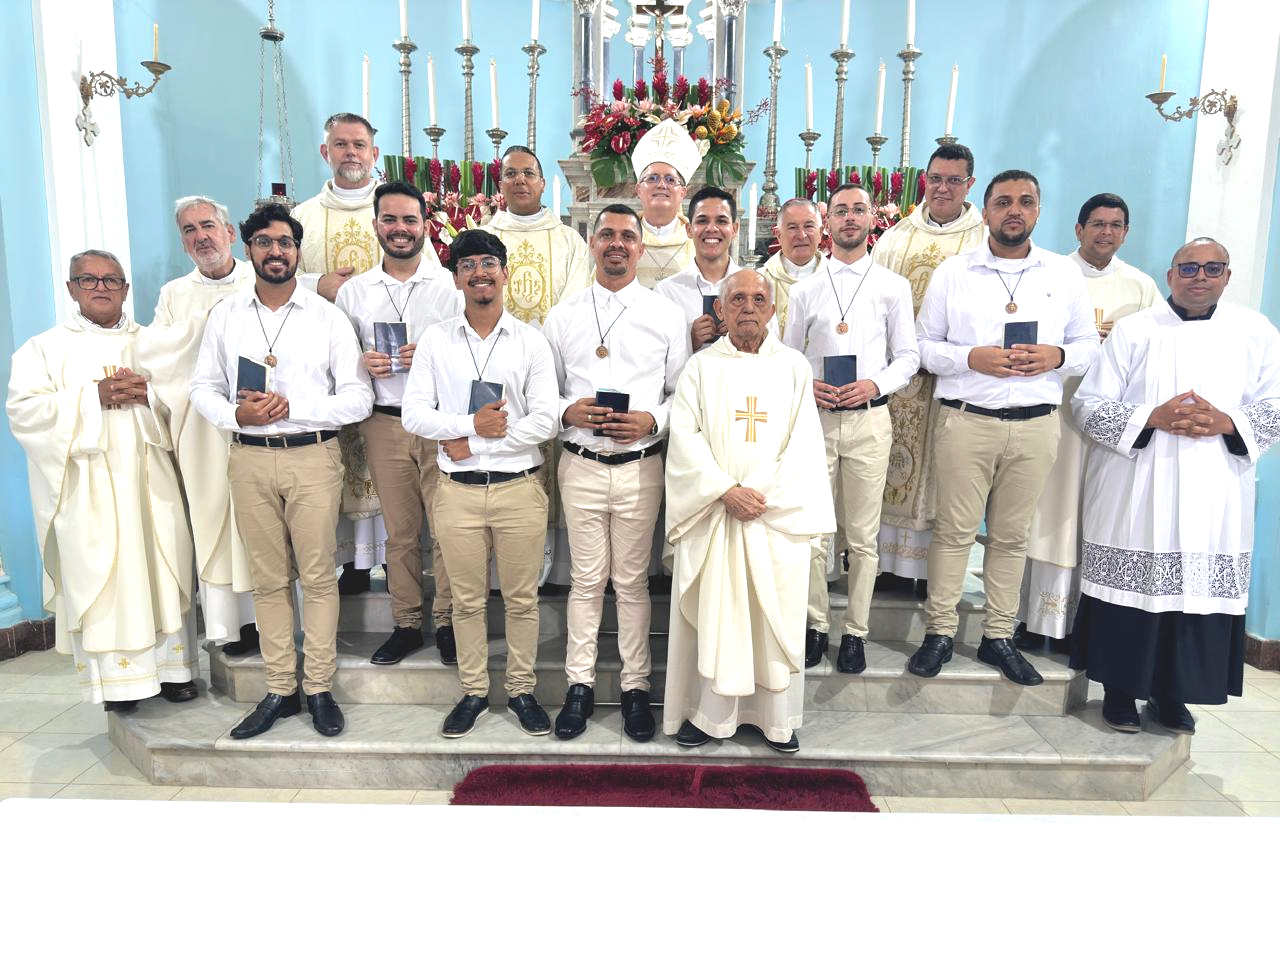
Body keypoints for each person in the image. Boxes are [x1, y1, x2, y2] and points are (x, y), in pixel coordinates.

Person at [1072, 237, 1280, 733]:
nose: (1200, 276)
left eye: (1212, 268)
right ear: (1171, 276)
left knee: (1194, 592)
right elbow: (1088, 404)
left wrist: (1227, 422)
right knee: (1133, 591)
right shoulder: (1136, 329)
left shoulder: (1255, 332)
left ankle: (1173, 695)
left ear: (1227, 276)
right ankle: (1119, 692)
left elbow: (1274, 405)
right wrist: (1153, 416)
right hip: (1139, 484)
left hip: (1216, 486)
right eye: (1189, 268)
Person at [190, 204, 373, 739]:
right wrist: (236, 415)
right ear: (248, 249)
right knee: (269, 581)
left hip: (312, 455)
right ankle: (279, 689)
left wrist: (296, 408)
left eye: (285, 243)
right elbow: (202, 387)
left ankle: (318, 687)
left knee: (317, 577)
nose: (276, 252)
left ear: (297, 251)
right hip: (248, 457)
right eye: (265, 242)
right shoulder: (226, 315)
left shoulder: (326, 316)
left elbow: (358, 398)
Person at [909, 170, 1099, 686]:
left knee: (1011, 537)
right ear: (986, 209)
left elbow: (1088, 346)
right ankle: (940, 632)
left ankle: (998, 636)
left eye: (1025, 202)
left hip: (1036, 425)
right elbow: (923, 347)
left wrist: (1056, 356)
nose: (1014, 210)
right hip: (967, 419)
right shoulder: (954, 271)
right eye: (1003, 202)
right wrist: (971, 358)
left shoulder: (1062, 274)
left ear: (1038, 210)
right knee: (954, 533)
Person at [8, 250, 196, 712]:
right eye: (88, 279)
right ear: (71, 288)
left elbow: (188, 401)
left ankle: (173, 672)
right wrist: (92, 398)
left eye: (111, 280)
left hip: (152, 480)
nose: (100, 287)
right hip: (87, 487)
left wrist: (150, 395)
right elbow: (24, 412)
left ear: (125, 289)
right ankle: (118, 685)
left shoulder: (152, 342)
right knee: (104, 579)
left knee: (163, 568)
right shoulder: (43, 348)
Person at [662, 270, 835, 753]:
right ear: (720, 309)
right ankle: (708, 715)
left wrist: (756, 494)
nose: (748, 308)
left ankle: (775, 720)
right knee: (716, 616)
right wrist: (724, 490)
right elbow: (685, 439)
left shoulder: (794, 367)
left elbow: (805, 445)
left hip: (774, 518)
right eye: (737, 299)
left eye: (759, 299)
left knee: (770, 618)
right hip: (715, 516)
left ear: (773, 310)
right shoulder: (700, 368)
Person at [401, 230, 559, 739]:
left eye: (489, 263)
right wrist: (470, 426)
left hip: (519, 489)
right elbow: (413, 414)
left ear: (505, 273)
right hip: (458, 493)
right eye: (467, 265)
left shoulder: (531, 341)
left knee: (521, 600)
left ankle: (521, 690)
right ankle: (472, 691)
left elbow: (547, 420)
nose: (479, 273)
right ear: (456, 279)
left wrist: (481, 439)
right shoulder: (436, 340)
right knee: (466, 602)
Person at [542, 204, 688, 742]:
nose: (617, 243)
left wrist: (652, 421)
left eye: (628, 235)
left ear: (641, 248)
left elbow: (682, 394)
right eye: (607, 234)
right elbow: (544, 394)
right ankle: (578, 687)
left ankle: (635, 688)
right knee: (585, 580)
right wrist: (568, 411)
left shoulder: (665, 315)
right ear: (592, 243)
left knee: (630, 582)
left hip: (640, 466)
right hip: (581, 464)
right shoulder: (563, 315)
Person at [1014, 192, 1160, 653]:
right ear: (1079, 230)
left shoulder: (1141, 288)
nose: (1105, 232)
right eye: (1097, 224)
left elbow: (1155, 355)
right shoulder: (1049, 275)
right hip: (1057, 412)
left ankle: (1086, 623)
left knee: (1098, 520)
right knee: (1048, 515)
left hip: (1111, 425)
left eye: (1115, 225)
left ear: (1126, 233)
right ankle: (1035, 619)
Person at [784, 184, 918, 673]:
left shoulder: (892, 286)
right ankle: (816, 624)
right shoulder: (805, 289)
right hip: (817, 420)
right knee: (814, 531)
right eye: (840, 210)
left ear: (871, 219)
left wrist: (874, 384)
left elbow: (909, 356)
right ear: (828, 222)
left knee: (863, 535)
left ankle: (855, 631)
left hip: (869, 419)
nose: (849, 218)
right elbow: (788, 356)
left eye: (858, 209)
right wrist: (809, 384)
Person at [335, 181, 462, 667]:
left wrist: (429, 356)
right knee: (401, 532)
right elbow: (338, 359)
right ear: (376, 226)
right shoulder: (355, 292)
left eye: (410, 220)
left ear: (425, 226)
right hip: (385, 422)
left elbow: (470, 354)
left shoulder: (449, 288)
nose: (400, 228)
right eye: (390, 219)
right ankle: (407, 622)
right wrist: (361, 362)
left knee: (446, 528)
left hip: (438, 423)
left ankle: (448, 621)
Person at [293, 112, 415, 594]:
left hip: (393, 377)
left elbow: (429, 284)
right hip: (326, 367)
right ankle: (353, 563)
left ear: (373, 154)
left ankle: (391, 566)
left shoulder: (398, 211)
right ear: (326, 152)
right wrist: (315, 284)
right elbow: (274, 276)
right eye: (341, 144)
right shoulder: (303, 217)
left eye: (359, 145)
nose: (350, 153)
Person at [137, 195, 258, 658]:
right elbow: (156, 356)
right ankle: (231, 625)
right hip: (202, 428)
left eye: (208, 226)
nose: (201, 237)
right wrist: (207, 323)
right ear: (183, 242)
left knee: (260, 523)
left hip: (259, 420)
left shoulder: (259, 277)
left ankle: (271, 622)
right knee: (213, 521)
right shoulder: (175, 294)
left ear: (229, 233)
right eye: (189, 230)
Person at [871, 143, 986, 588]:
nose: (943, 188)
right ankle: (885, 567)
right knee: (889, 467)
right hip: (897, 383)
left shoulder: (982, 241)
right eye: (935, 179)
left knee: (942, 475)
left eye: (954, 181)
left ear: (969, 184)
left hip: (951, 382)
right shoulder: (895, 237)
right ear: (925, 180)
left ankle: (929, 575)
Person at [483, 144, 592, 326]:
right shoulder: (483, 240)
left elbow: (578, 301)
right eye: (511, 173)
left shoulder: (570, 241)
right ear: (501, 186)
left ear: (542, 184)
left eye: (528, 173)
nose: (520, 180)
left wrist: (548, 337)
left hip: (556, 342)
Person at [657, 186, 754, 353]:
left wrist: (744, 337)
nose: (712, 228)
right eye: (702, 221)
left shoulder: (756, 286)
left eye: (721, 221)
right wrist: (689, 340)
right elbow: (655, 355)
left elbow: (772, 351)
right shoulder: (667, 291)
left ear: (734, 229)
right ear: (689, 230)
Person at [630, 118, 699, 288]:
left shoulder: (697, 241)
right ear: (638, 189)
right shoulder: (622, 237)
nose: (661, 185)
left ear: (683, 192)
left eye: (670, 179)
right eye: (652, 178)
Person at [760, 197, 826, 339]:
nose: (801, 235)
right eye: (792, 228)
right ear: (778, 235)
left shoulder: (836, 280)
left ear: (821, 233)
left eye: (808, 226)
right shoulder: (759, 282)